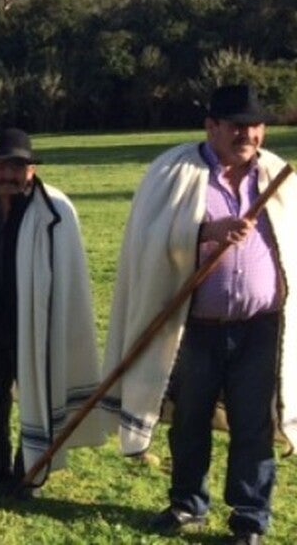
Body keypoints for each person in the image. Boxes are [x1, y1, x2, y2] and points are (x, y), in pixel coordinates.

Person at [102, 84, 297, 544]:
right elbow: (147, 241)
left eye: (255, 125)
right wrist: (206, 232)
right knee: (191, 418)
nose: (247, 134)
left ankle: (250, 517)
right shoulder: (175, 172)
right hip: (195, 327)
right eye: (236, 125)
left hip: (262, 326)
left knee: (253, 423)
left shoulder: (277, 175)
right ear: (211, 127)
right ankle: (188, 504)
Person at [0, 128, 104, 494]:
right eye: (1, 167)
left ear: (31, 171)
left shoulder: (50, 210)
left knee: (34, 395)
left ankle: (28, 469)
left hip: (31, 321)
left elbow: (65, 270)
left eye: (17, 168)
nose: (7, 176)